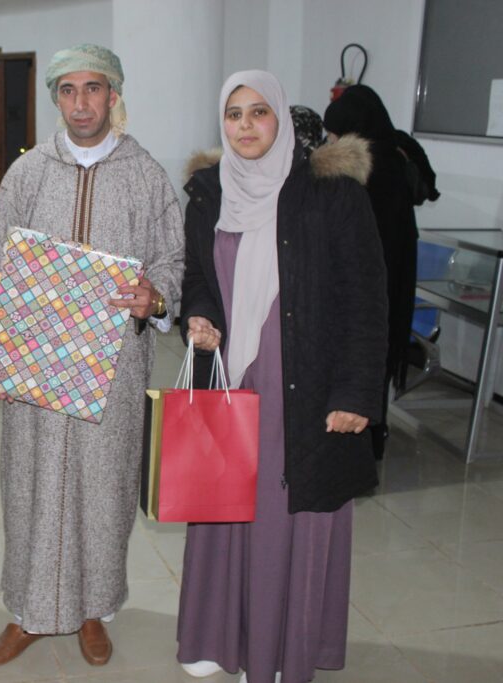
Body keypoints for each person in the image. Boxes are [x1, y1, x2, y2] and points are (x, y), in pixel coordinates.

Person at [0, 44, 185, 667]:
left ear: (113, 95)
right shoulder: (27, 173)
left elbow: (173, 258)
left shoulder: (145, 176)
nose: (82, 102)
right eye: (68, 90)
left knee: (104, 491)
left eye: (93, 88)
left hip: (113, 369)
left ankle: (94, 611)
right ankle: (29, 612)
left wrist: (156, 296)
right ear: (56, 99)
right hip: (36, 366)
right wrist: (0, 342)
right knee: (31, 487)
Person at [176, 71, 387, 683]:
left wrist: (356, 393)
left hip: (305, 384)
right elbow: (199, 276)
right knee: (223, 505)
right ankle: (217, 637)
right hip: (231, 378)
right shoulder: (209, 192)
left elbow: (366, 299)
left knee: (281, 513)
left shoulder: (331, 194)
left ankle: (275, 653)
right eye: (234, 114)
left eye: (258, 111)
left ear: (282, 119)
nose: (245, 125)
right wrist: (201, 316)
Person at [324, 84, 427, 457]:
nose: (331, 143)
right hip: (394, 274)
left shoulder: (367, 166)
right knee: (378, 355)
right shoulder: (398, 150)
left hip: (370, 277)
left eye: (335, 135)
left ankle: (365, 441)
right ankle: (374, 434)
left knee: (364, 353)